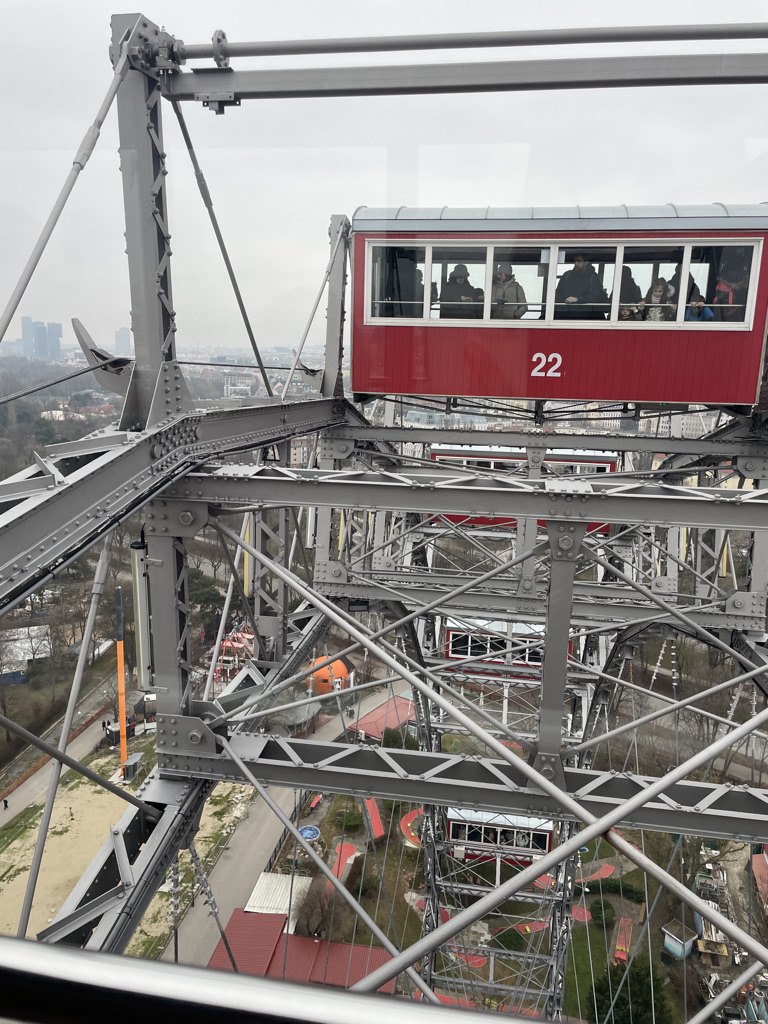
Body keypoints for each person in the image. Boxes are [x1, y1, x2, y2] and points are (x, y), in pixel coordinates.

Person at [554, 253, 609, 319]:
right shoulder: (567, 275)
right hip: (565, 315)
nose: (576, 263)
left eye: (579, 261)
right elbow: (558, 294)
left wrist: (578, 299)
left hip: (586, 316)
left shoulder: (593, 277)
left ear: (586, 262)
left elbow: (594, 297)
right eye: (575, 261)